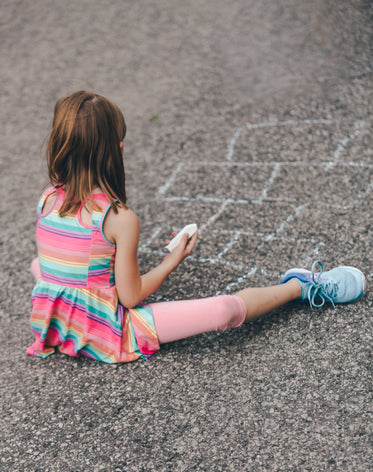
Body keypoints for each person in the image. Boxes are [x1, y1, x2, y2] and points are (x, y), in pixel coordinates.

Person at [27, 91, 367, 363]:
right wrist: (173, 259)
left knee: (40, 265)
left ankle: (67, 301)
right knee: (224, 310)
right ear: (116, 149)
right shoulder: (119, 219)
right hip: (108, 328)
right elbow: (130, 298)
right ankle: (301, 286)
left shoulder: (47, 197)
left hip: (58, 320)